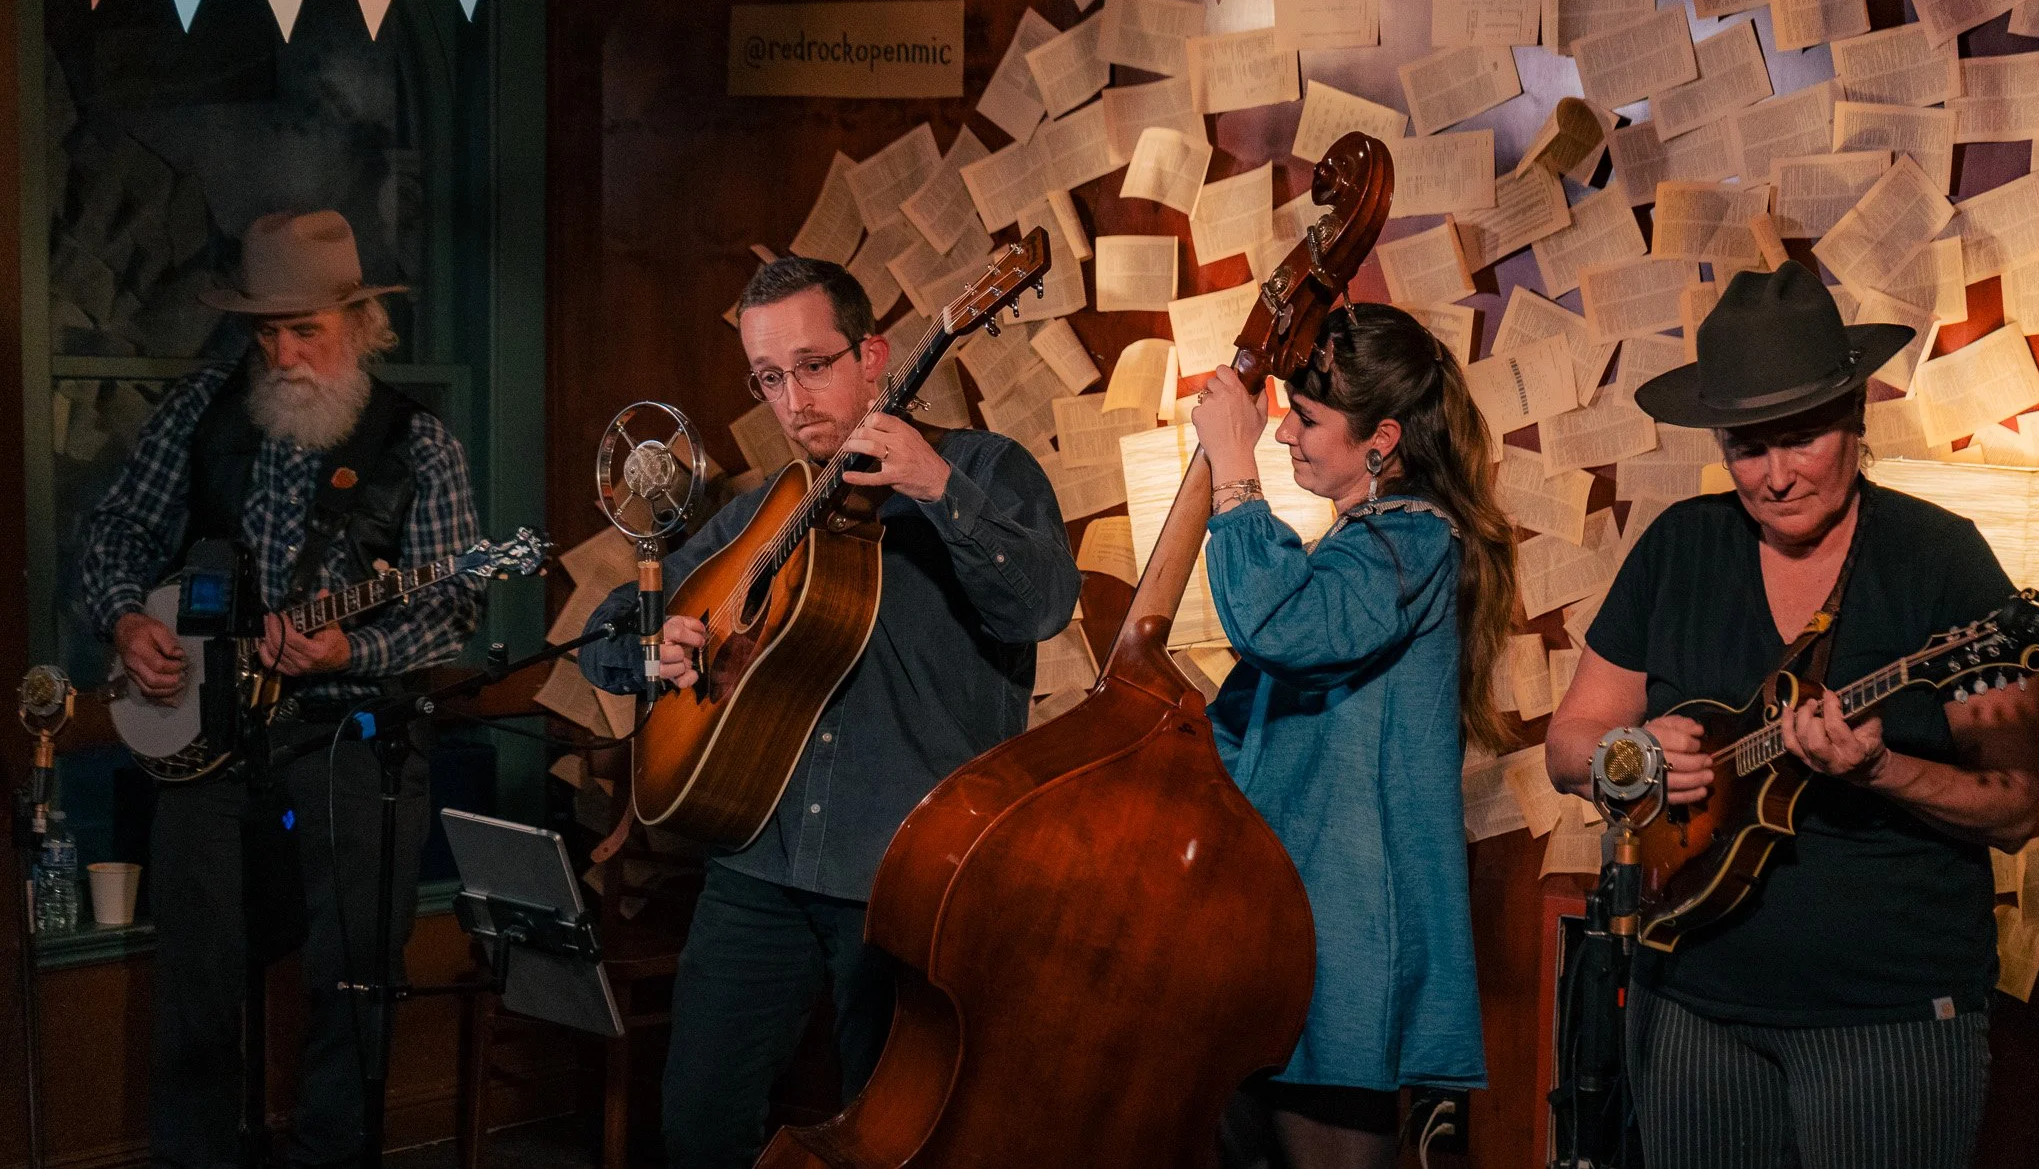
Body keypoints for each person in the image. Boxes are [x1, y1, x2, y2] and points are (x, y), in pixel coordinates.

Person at [578, 255, 1079, 1169]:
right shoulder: (769, 510)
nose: (793, 398)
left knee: (889, 1140)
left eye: (813, 364)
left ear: (875, 356)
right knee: (696, 1123)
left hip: (907, 876)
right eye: (770, 377)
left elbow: (1044, 602)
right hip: (758, 860)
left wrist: (937, 486)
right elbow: (607, 634)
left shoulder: (982, 467)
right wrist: (660, 646)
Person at [1546, 262, 2039, 1169]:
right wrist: (1635, 755)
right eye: (1748, 445)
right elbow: (1569, 744)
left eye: (1803, 437)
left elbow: (2013, 808)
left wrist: (1880, 769)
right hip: (1692, 995)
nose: (1774, 476)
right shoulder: (1678, 548)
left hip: (1890, 1015)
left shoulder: (1944, 563)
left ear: (1855, 421)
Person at [80, 210, 486, 1169]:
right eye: (268, 332)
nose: (286, 352)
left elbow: (455, 605)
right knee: (197, 987)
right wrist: (129, 621)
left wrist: (350, 648)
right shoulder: (199, 414)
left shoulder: (419, 444)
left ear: (360, 326)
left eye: (306, 330)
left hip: (351, 742)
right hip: (204, 740)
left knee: (353, 986)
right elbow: (114, 538)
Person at [1190, 303, 1518, 1169]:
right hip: (1291, 913)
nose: (1287, 434)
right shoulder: (1361, 544)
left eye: (1307, 418)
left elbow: (1283, 627)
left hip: (1346, 926)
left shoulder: (1409, 540)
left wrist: (1233, 468)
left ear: (1382, 439)